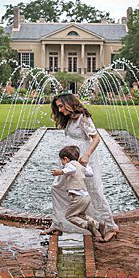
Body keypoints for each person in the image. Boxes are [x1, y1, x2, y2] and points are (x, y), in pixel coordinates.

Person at [49, 93, 119, 241]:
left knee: (94, 191)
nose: (60, 110)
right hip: (73, 158)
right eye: (58, 107)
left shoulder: (83, 117)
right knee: (59, 187)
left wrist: (86, 155)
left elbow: (96, 138)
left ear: (69, 103)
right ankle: (59, 222)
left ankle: (110, 227)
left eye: (61, 106)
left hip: (85, 158)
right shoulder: (69, 119)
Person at [49, 145, 105, 240]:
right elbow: (90, 173)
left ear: (66, 159)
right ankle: (98, 224)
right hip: (86, 197)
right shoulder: (81, 166)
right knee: (81, 215)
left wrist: (61, 171)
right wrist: (86, 164)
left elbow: (71, 169)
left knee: (69, 216)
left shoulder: (70, 165)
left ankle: (87, 225)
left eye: (61, 160)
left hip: (78, 198)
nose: (62, 163)